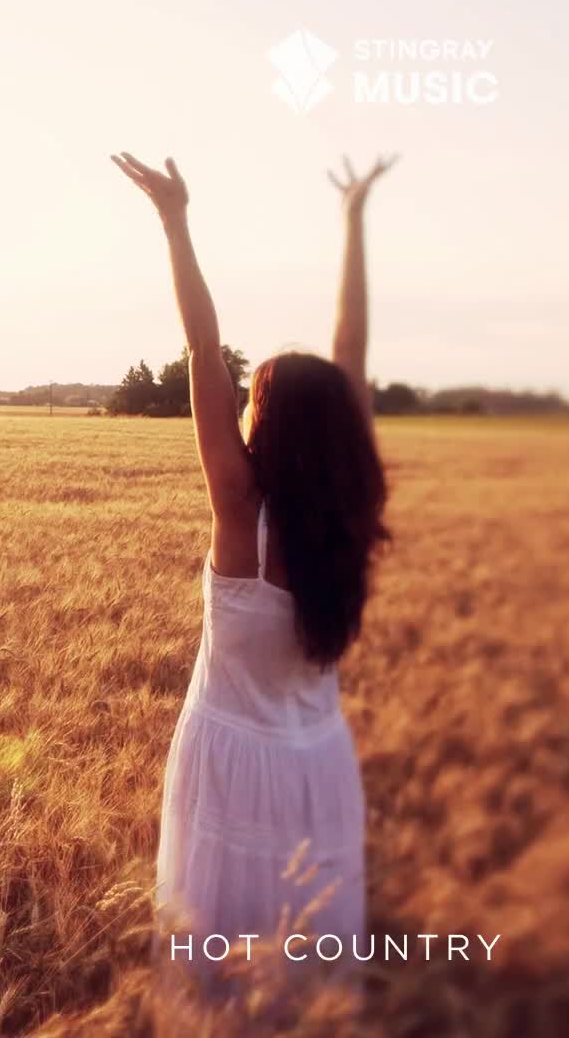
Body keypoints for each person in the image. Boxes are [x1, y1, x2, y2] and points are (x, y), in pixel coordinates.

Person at [109, 151, 395, 998]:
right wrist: (352, 218)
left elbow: (202, 349)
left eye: (253, 402)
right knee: (304, 973)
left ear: (262, 422)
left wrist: (174, 221)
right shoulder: (347, 520)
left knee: (218, 979)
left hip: (231, 766)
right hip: (319, 769)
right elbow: (352, 354)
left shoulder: (243, 514)